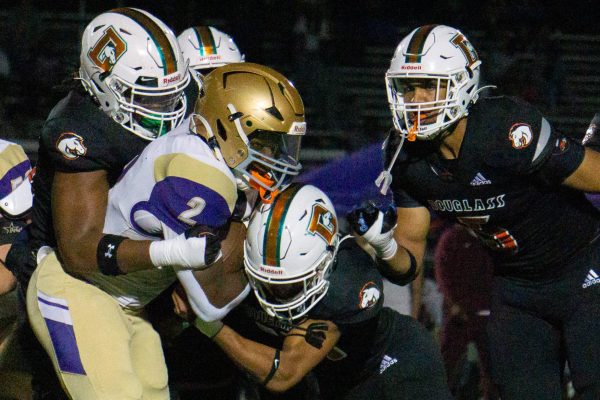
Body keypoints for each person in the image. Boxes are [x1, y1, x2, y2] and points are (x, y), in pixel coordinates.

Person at [26, 62, 306, 399]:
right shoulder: (203, 177)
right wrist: (249, 231)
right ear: (228, 126)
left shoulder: (203, 146)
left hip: (128, 304)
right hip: (81, 290)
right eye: (266, 142)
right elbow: (210, 303)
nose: (275, 156)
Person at [348, 24, 600, 399]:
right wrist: (383, 247)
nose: (415, 99)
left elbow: (596, 176)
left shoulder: (505, 128)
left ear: (461, 82)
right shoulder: (405, 158)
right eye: (407, 87)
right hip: (516, 288)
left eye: (427, 86)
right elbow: (410, 263)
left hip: (583, 272)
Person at [5, 7, 191, 399]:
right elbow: (78, 251)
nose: (166, 110)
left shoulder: (176, 102)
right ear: (105, 87)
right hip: (69, 274)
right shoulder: (79, 132)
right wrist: (170, 252)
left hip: (127, 285)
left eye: (169, 95)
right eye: (149, 98)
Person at [182, 184, 452, 399]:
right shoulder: (235, 263)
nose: (279, 293)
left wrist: (209, 323)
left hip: (392, 364)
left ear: (326, 263)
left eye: (292, 284)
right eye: (268, 282)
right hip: (329, 378)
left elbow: (284, 373)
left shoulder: (347, 283)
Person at [434, 223, 499, 400]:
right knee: (447, 364)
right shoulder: (452, 238)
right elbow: (442, 273)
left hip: (485, 313)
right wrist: (453, 304)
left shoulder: (488, 239)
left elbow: (495, 274)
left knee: (493, 367)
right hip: (458, 315)